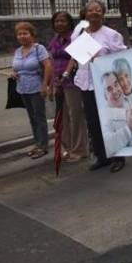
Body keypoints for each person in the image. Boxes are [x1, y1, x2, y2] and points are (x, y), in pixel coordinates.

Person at [73, 0, 127, 173]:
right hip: (87, 84)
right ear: (85, 14)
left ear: (103, 14)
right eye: (90, 10)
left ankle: (119, 156)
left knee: (112, 121)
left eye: (98, 10)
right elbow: (77, 57)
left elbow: (121, 58)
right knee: (93, 122)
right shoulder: (81, 34)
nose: (94, 12)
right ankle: (101, 156)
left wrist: (102, 61)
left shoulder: (111, 35)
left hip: (106, 86)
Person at [48, 11, 89, 162]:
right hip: (59, 83)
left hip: (72, 81)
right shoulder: (55, 39)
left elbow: (77, 58)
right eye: (57, 21)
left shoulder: (75, 37)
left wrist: (65, 74)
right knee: (63, 117)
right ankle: (68, 147)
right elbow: (51, 61)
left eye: (63, 21)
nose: (59, 23)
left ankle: (80, 150)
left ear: (69, 22)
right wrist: (52, 83)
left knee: (76, 115)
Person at [12, 22, 53, 159]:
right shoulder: (18, 51)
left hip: (36, 87)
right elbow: (16, 67)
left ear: (31, 34)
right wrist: (14, 73)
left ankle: (43, 145)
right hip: (22, 88)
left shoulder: (38, 49)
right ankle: (37, 143)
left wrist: (45, 85)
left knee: (39, 117)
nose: (22, 36)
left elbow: (47, 66)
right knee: (32, 117)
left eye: (25, 33)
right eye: (19, 34)